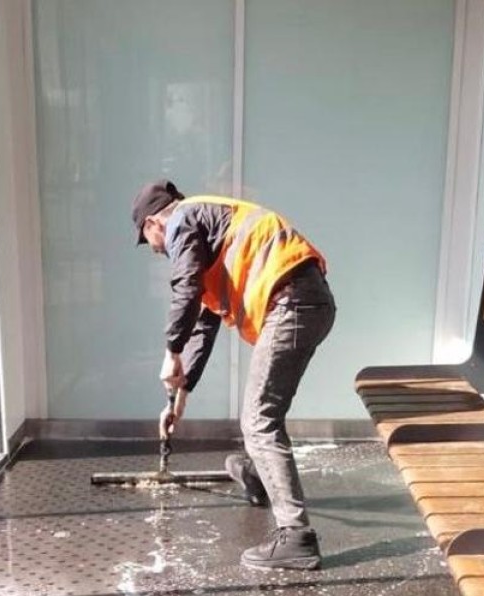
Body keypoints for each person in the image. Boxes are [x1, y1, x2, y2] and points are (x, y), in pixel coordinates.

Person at [131, 179, 336, 570]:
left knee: (259, 420)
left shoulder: (182, 221)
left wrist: (170, 353)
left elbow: (186, 288)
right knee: (264, 413)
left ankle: (297, 537)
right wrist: (180, 395)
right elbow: (205, 322)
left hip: (292, 302)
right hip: (305, 301)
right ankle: (259, 478)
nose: (157, 249)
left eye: (148, 239)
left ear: (154, 222)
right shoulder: (208, 225)